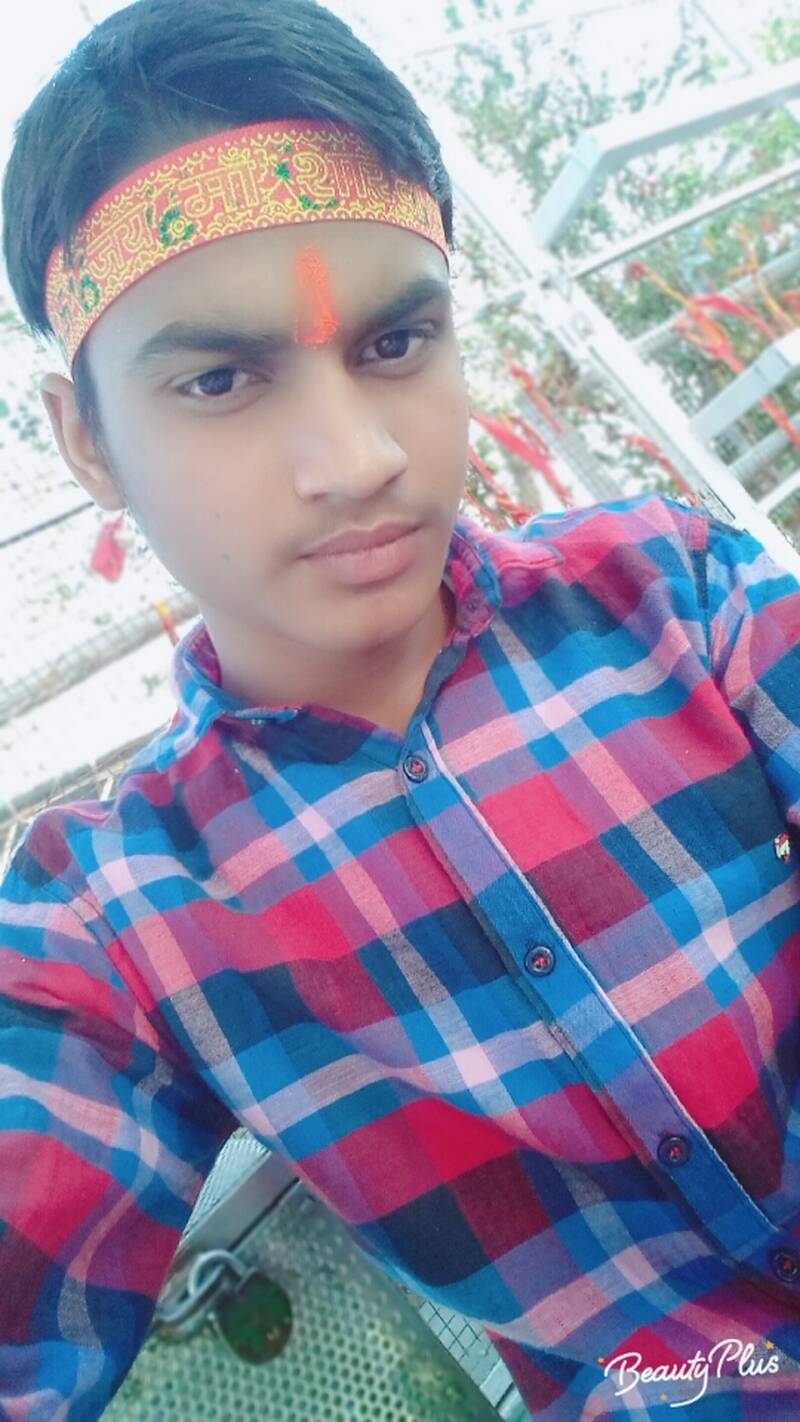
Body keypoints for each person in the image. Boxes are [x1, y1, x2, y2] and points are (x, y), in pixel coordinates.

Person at [2, 0, 800, 1416]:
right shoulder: (114, 922)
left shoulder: (678, 595)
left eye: (395, 342)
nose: (357, 457)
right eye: (221, 378)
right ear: (88, 440)